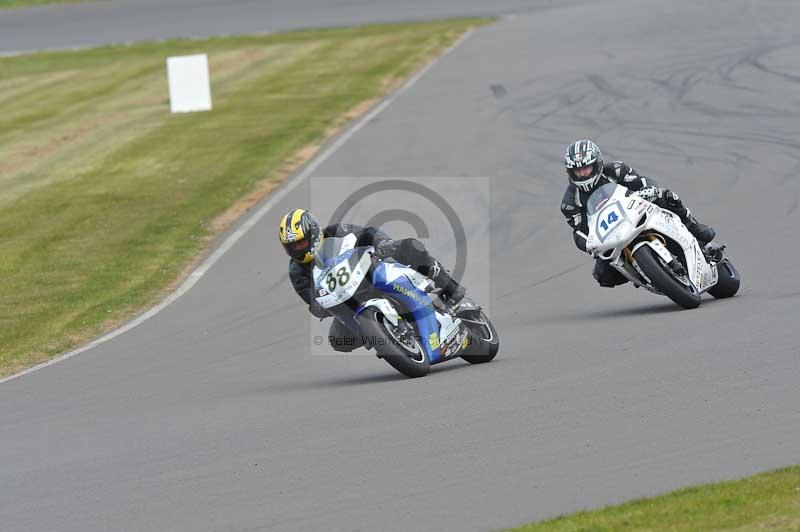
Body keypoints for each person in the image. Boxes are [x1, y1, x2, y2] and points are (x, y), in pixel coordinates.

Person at [278, 208, 465, 350]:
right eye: (292, 246)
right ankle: (384, 338)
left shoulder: (336, 231)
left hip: (369, 274)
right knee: (338, 340)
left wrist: (382, 243)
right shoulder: (296, 270)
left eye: (301, 242)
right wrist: (318, 307)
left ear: (313, 233)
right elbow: (310, 299)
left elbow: (368, 233)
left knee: (410, 247)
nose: (298, 248)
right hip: (346, 302)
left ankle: (449, 286)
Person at [560, 139, 715, 287]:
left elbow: (642, 182)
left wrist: (648, 189)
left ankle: (695, 228)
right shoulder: (570, 202)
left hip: (637, 210)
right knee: (602, 275)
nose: (583, 174)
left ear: (597, 164)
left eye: (586, 168)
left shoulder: (615, 170)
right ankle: (646, 274)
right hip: (611, 235)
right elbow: (579, 231)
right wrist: (589, 245)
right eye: (578, 171)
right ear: (570, 172)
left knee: (667, 196)